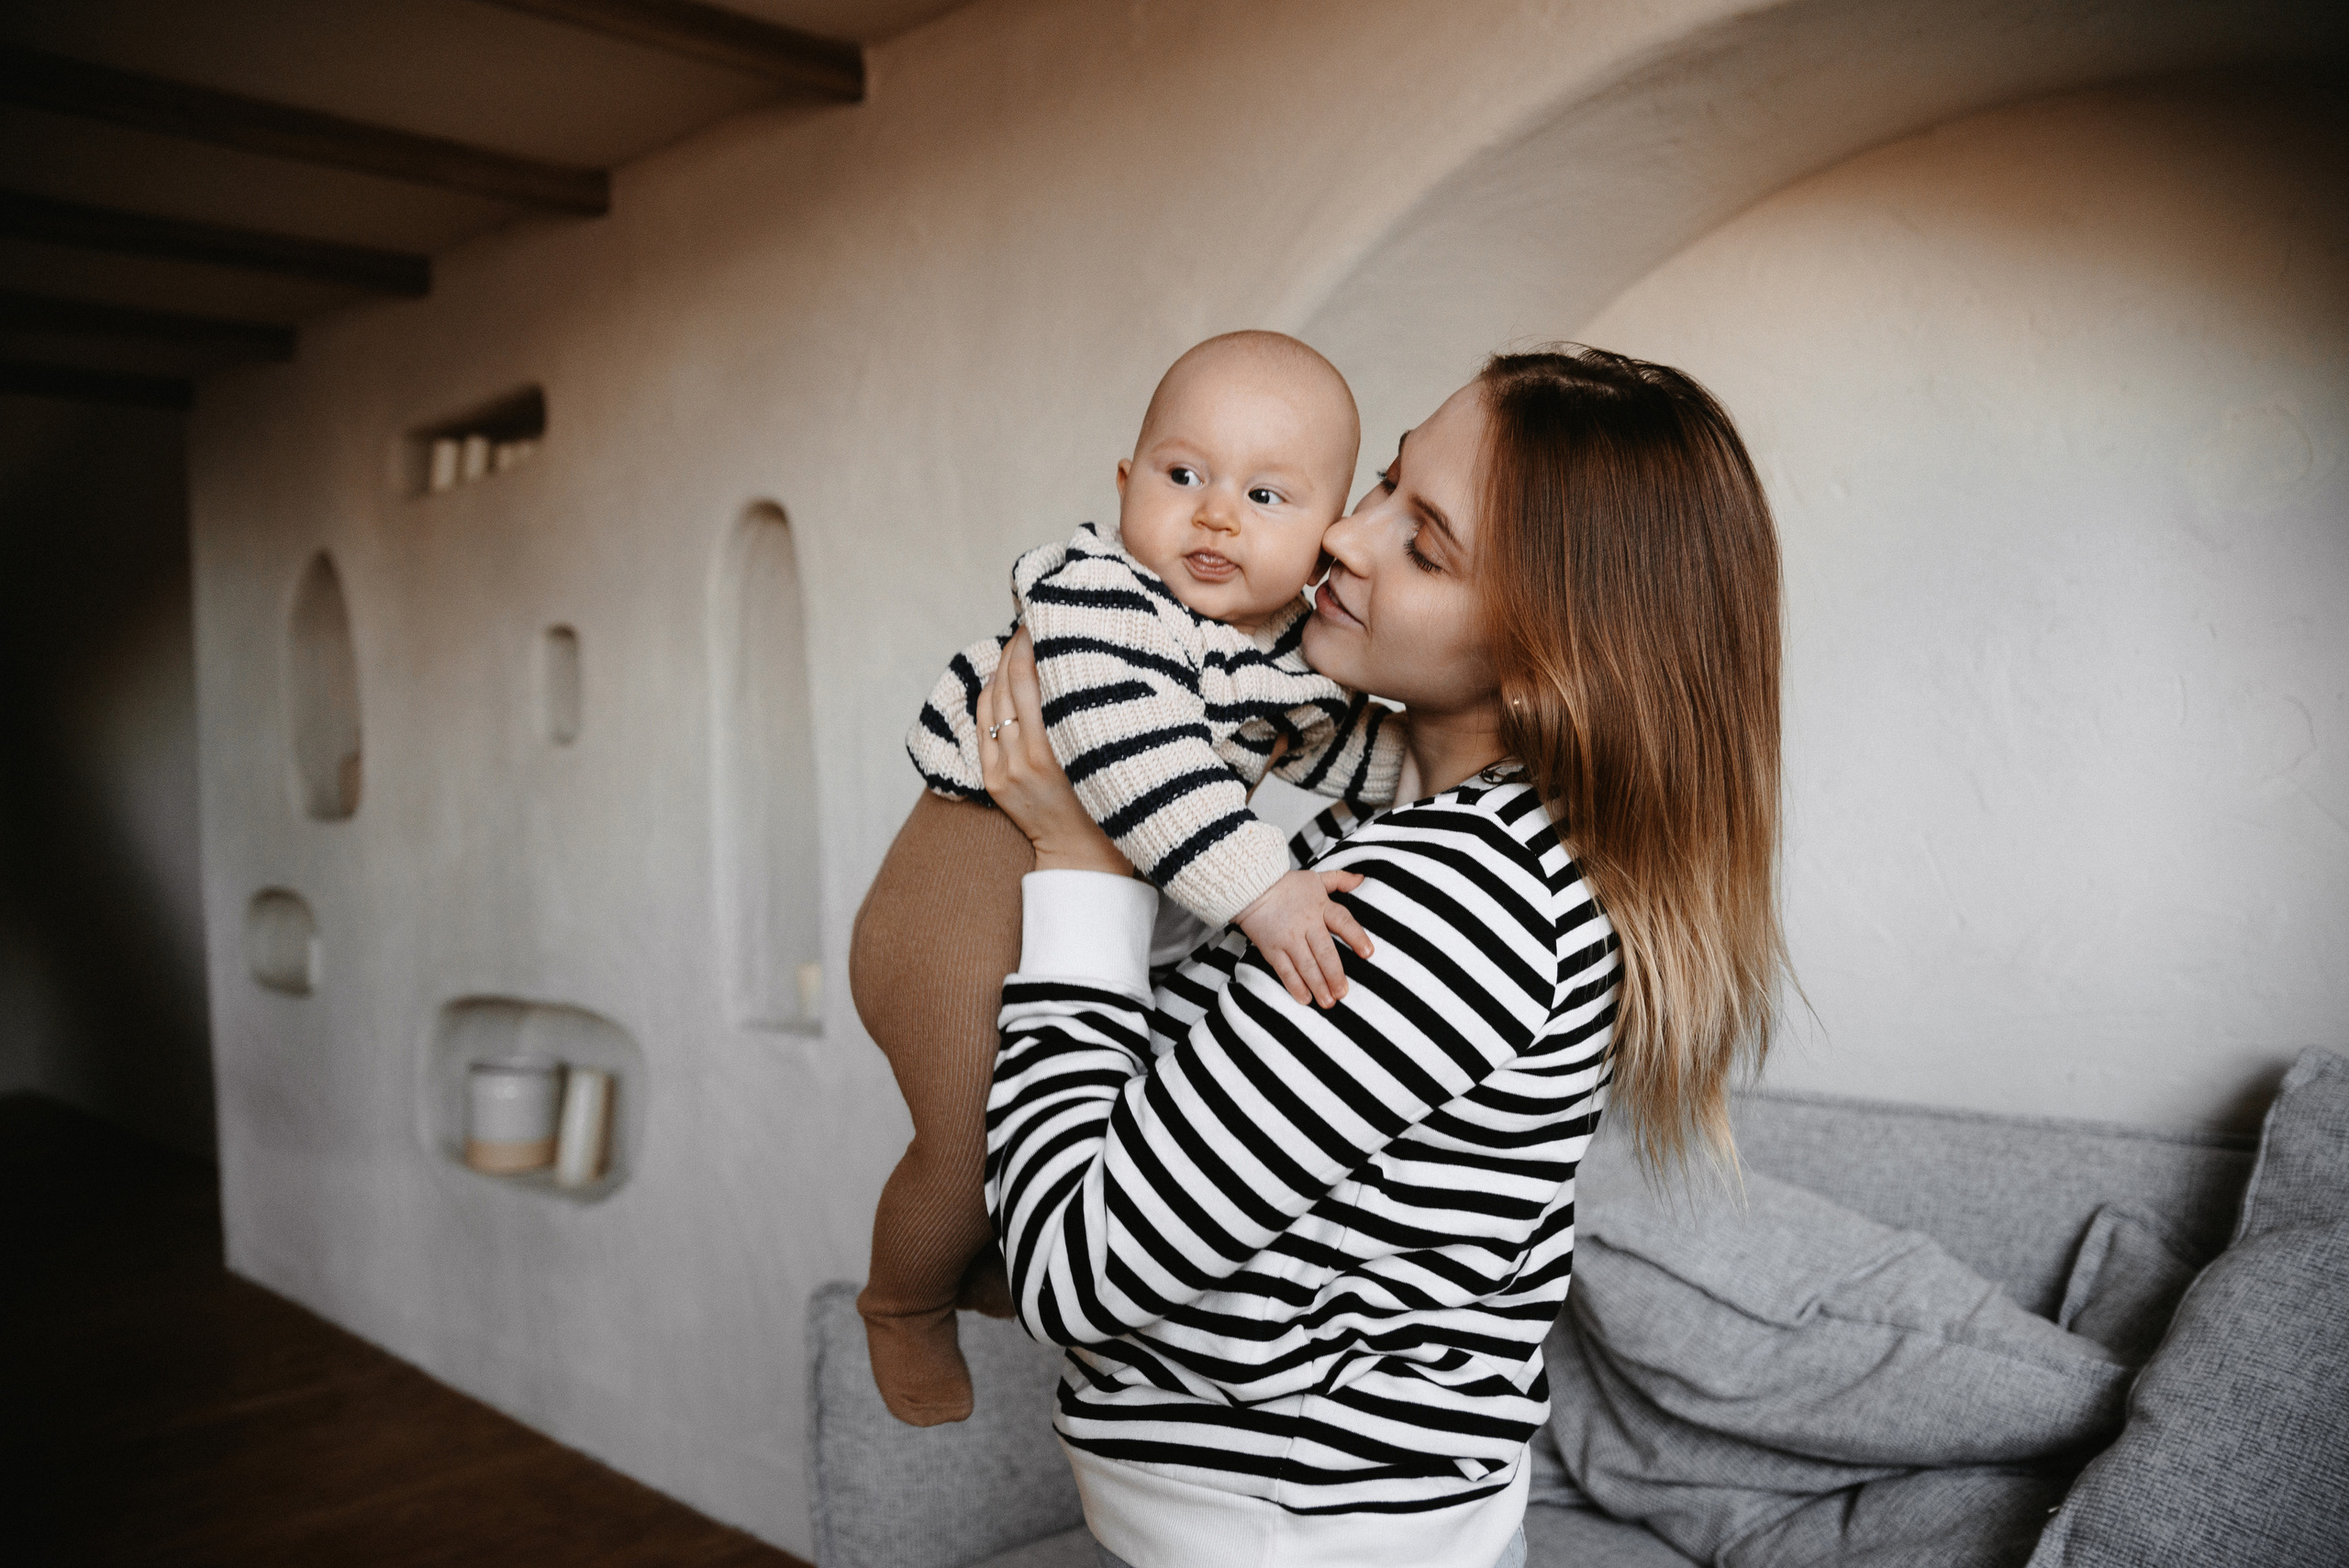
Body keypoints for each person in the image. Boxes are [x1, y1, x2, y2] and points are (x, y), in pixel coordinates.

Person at [974, 346, 1787, 1568]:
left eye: (1427, 546)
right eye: (1387, 486)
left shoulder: (1453, 901)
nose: (1346, 539)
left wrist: (1078, 858)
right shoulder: (1440, 837)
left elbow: (1071, 1266)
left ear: (1553, 648)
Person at [853, 331, 1411, 1426]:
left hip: (1048, 896)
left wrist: (1472, 770)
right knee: (970, 1135)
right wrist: (1267, 892)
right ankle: (899, 1301)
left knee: (1059, 1115)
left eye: (1264, 493)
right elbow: (1138, 760)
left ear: (1325, 535)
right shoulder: (1099, 597)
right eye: (1183, 474)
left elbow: (1351, 754)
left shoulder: (1278, 651)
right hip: (955, 894)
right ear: (1125, 485)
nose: (1215, 515)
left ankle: (977, 1262)